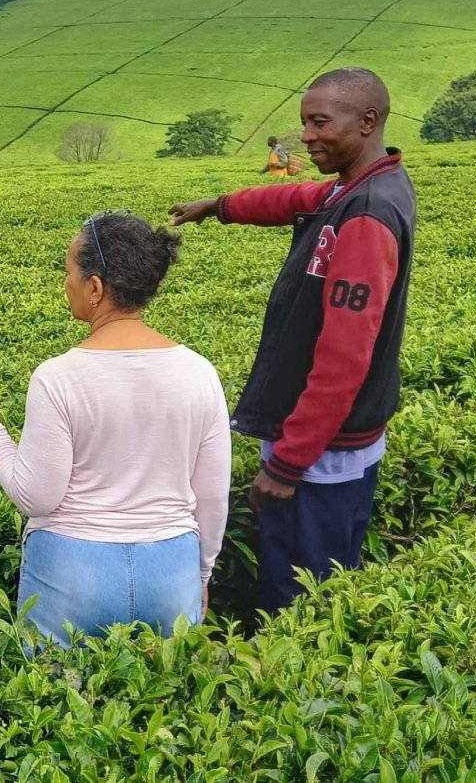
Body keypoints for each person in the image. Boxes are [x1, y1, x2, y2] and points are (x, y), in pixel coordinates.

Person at [169, 67, 415, 612]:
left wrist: (286, 465)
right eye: (305, 122)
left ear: (367, 121)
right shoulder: (353, 187)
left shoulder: (368, 215)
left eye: (319, 122)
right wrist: (219, 207)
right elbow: (294, 198)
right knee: (303, 572)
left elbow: (344, 359)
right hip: (321, 443)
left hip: (325, 454)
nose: (305, 136)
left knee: (304, 589)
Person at [0, 212, 231, 646]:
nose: (65, 283)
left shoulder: (59, 376)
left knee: (54, 700)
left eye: (69, 273)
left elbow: (36, 495)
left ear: (96, 288)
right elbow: (213, 496)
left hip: (73, 573)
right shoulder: (200, 373)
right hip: (171, 568)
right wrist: (201, 575)